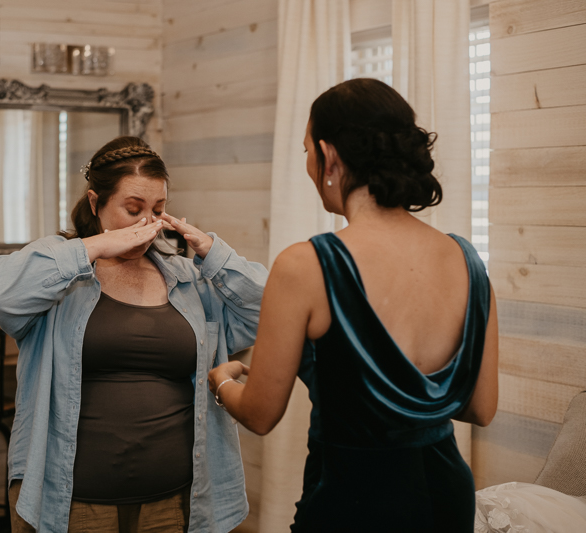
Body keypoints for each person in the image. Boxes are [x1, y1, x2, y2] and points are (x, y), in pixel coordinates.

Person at [208, 78, 499, 532]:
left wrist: (222, 382)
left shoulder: (307, 265)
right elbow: (479, 408)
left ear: (329, 156)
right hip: (446, 493)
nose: (308, 164)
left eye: (307, 150)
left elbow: (261, 415)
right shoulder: (467, 260)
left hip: (354, 497)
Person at [0, 136, 267, 533]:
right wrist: (96, 246)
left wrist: (213, 253)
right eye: (132, 209)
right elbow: (0, 293)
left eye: (158, 210)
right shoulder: (62, 276)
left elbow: (266, 312)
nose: (146, 223)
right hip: (71, 499)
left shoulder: (186, 280)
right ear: (96, 202)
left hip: (174, 500)